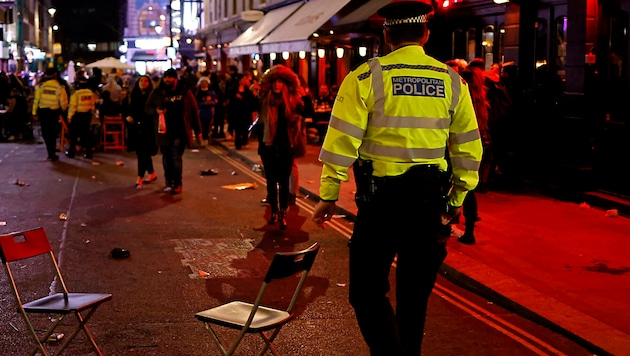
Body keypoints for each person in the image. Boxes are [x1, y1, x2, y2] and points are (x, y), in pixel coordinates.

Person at [311, 1, 483, 354]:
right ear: (426, 34)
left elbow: (341, 141)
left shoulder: (364, 77)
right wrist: (457, 199)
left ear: (386, 34)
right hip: (428, 200)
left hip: (381, 202)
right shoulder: (452, 81)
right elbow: (468, 147)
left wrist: (328, 195)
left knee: (366, 291)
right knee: (414, 297)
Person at [258, 65, 305, 230]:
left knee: (284, 181)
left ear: (285, 84)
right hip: (268, 146)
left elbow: (309, 112)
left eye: (280, 81)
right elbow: (248, 105)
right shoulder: (264, 100)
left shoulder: (292, 101)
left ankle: (283, 212)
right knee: (271, 181)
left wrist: (302, 94)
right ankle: (274, 210)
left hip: (286, 146)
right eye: (274, 82)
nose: (277, 85)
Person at [146, 68, 202, 194]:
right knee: (166, 158)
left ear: (175, 79)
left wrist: (198, 131)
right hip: (164, 131)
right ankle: (169, 182)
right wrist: (156, 111)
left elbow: (193, 110)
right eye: (165, 77)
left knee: (175, 157)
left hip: (180, 130)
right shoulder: (158, 91)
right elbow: (147, 107)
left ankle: (177, 184)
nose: (167, 80)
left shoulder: (185, 91)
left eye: (170, 77)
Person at [458, 66, 491, 244]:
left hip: (462, 146)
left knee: (457, 187)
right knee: (469, 188)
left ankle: (454, 227)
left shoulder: (463, 99)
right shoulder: (482, 101)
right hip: (480, 145)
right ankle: (469, 230)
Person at [121, 75, 158, 189]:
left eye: (146, 81)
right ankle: (152, 173)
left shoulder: (152, 95)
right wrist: (127, 117)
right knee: (141, 152)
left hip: (148, 127)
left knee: (143, 153)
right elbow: (124, 109)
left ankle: (140, 178)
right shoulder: (132, 95)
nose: (144, 83)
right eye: (141, 80)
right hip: (135, 128)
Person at [32, 68, 69, 162]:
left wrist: (34, 112)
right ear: (55, 75)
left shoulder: (41, 86)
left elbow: (36, 100)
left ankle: (50, 151)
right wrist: (61, 110)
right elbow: (64, 103)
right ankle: (52, 152)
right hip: (54, 113)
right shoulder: (60, 87)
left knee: (45, 132)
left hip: (43, 112)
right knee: (52, 133)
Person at [66, 77, 96, 159]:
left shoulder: (76, 94)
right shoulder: (90, 93)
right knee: (86, 134)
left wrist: (69, 117)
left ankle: (71, 153)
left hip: (77, 116)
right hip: (87, 115)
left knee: (73, 135)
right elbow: (93, 105)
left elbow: (73, 107)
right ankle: (89, 153)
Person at [226, 73, 258, 150]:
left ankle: (244, 141)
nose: (244, 80)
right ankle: (238, 143)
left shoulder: (247, 90)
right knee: (238, 129)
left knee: (245, 128)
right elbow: (231, 101)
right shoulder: (234, 89)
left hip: (245, 112)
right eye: (242, 79)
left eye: (245, 79)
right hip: (237, 113)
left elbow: (251, 100)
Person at [195, 76, 217, 144]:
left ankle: (206, 138)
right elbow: (196, 103)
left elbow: (215, 101)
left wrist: (210, 103)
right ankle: (202, 139)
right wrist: (204, 103)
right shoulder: (198, 93)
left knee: (208, 126)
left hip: (209, 112)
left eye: (205, 83)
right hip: (201, 112)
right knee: (201, 126)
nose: (204, 84)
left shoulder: (211, 92)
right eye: (202, 83)